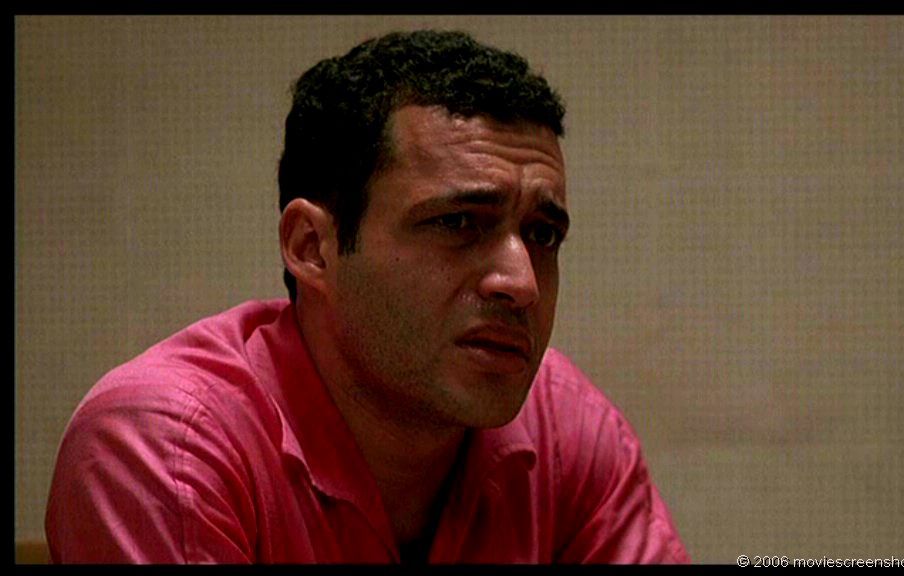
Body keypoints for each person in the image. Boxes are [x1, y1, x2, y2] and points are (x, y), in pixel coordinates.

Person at [45, 30, 690, 564]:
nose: (521, 283)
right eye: (458, 222)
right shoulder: (166, 446)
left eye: (543, 234)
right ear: (312, 248)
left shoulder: (566, 430)